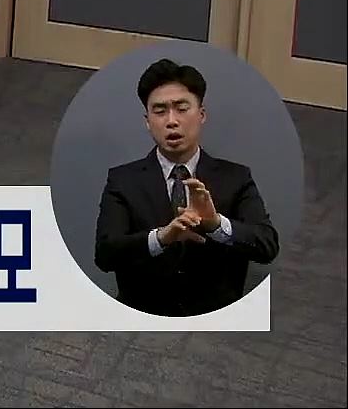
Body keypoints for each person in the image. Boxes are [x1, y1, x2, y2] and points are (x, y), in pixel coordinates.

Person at [93, 58, 279, 317]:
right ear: (147, 121)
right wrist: (161, 238)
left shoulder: (236, 177)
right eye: (160, 111)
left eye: (182, 109)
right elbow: (105, 255)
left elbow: (267, 246)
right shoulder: (122, 180)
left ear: (201, 115)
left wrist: (216, 225)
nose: (172, 121)